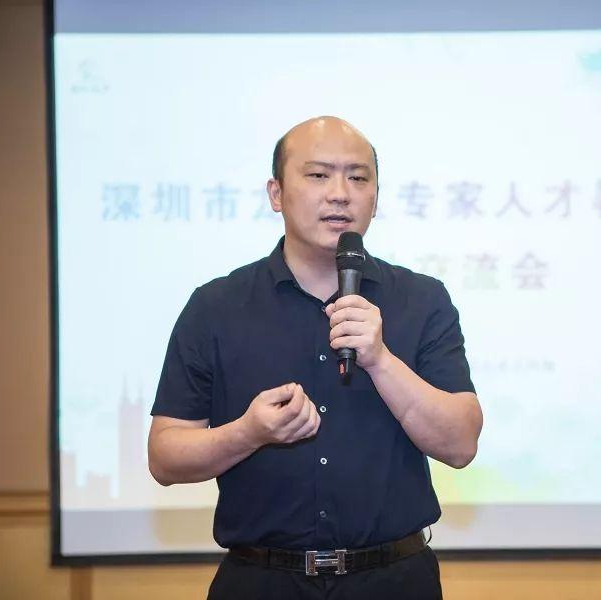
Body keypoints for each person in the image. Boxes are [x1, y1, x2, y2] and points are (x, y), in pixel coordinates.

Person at [147, 116, 483, 599]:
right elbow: (165, 457)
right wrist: (248, 433)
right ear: (276, 193)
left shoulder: (422, 300)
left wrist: (380, 359)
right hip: (261, 582)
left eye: (358, 178)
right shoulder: (216, 307)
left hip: (394, 581)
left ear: (375, 198)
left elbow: (461, 444)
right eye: (319, 175)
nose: (340, 194)